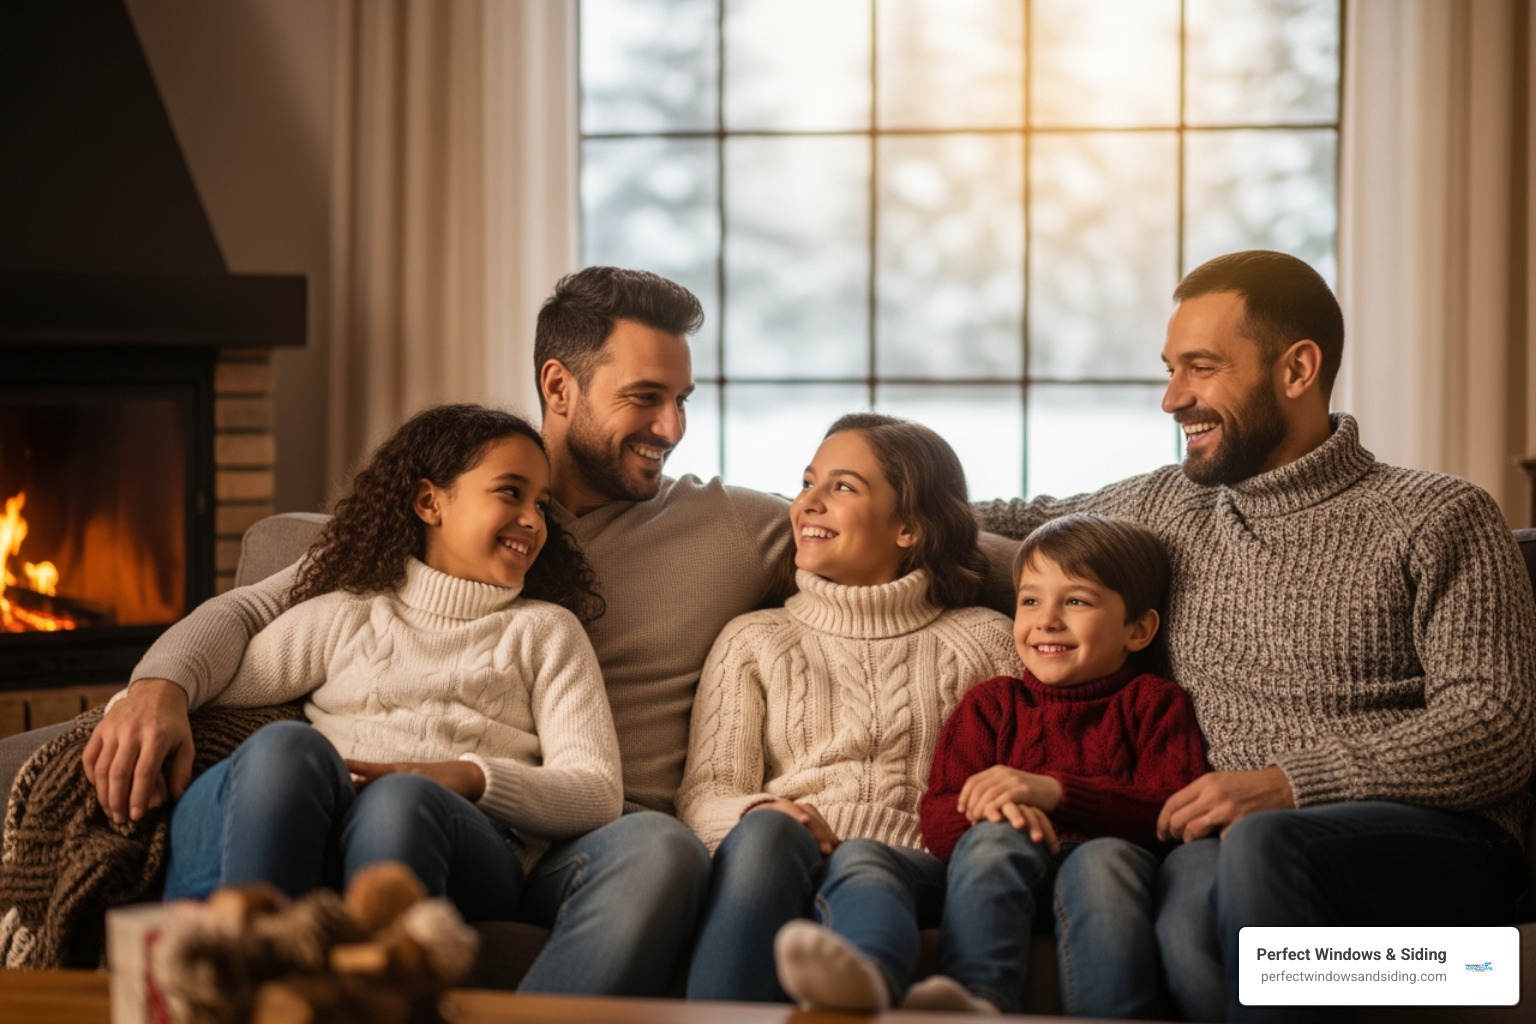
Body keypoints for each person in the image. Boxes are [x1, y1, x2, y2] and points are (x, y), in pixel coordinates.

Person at [82, 268, 793, 995]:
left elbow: (872, 524)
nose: (671, 429)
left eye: (681, 402)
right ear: (559, 388)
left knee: (662, 849)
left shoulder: (728, 528)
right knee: (340, 777)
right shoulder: (387, 564)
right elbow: (246, 618)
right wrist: (155, 690)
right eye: (646, 398)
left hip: (563, 837)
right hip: (369, 811)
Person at [973, 250, 1536, 1023]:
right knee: (1186, 925)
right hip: (1227, 842)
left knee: (1266, 847)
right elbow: (1010, 519)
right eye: (1170, 370)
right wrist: (808, 506)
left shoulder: (1439, 516)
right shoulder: (1169, 505)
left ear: (1297, 368)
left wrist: (1289, 784)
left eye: (1199, 368)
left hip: (1442, 846)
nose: (1173, 399)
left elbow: (1496, 728)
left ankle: (1464, 970)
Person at [149, 404, 622, 918]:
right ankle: (260, 967)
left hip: (465, 844)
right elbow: (215, 689)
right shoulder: (346, 613)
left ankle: (375, 988)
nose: (534, 520)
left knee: (401, 801)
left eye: (542, 504)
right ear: (429, 502)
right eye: (510, 492)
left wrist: (468, 776)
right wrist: (140, 705)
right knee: (285, 746)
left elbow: (596, 791)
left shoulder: (547, 632)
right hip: (326, 831)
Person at [676, 413, 1023, 1012]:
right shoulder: (753, 640)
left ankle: (867, 990)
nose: (807, 502)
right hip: (780, 859)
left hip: (919, 867)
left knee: (864, 862)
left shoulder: (987, 643)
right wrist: (768, 810)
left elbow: (1022, 781)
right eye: (807, 483)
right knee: (765, 830)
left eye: (841, 487)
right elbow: (705, 794)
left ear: (910, 526)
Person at [917, 512, 1206, 1017]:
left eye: (1076, 601)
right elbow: (939, 816)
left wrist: (1055, 792)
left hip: (1106, 869)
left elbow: (1172, 811)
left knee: (1103, 861)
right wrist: (997, 816)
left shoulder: (1154, 702)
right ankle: (973, 1004)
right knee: (989, 841)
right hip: (1005, 868)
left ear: (1138, 629)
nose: (1047, 619)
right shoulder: (992, 704)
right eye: (1031, 600)